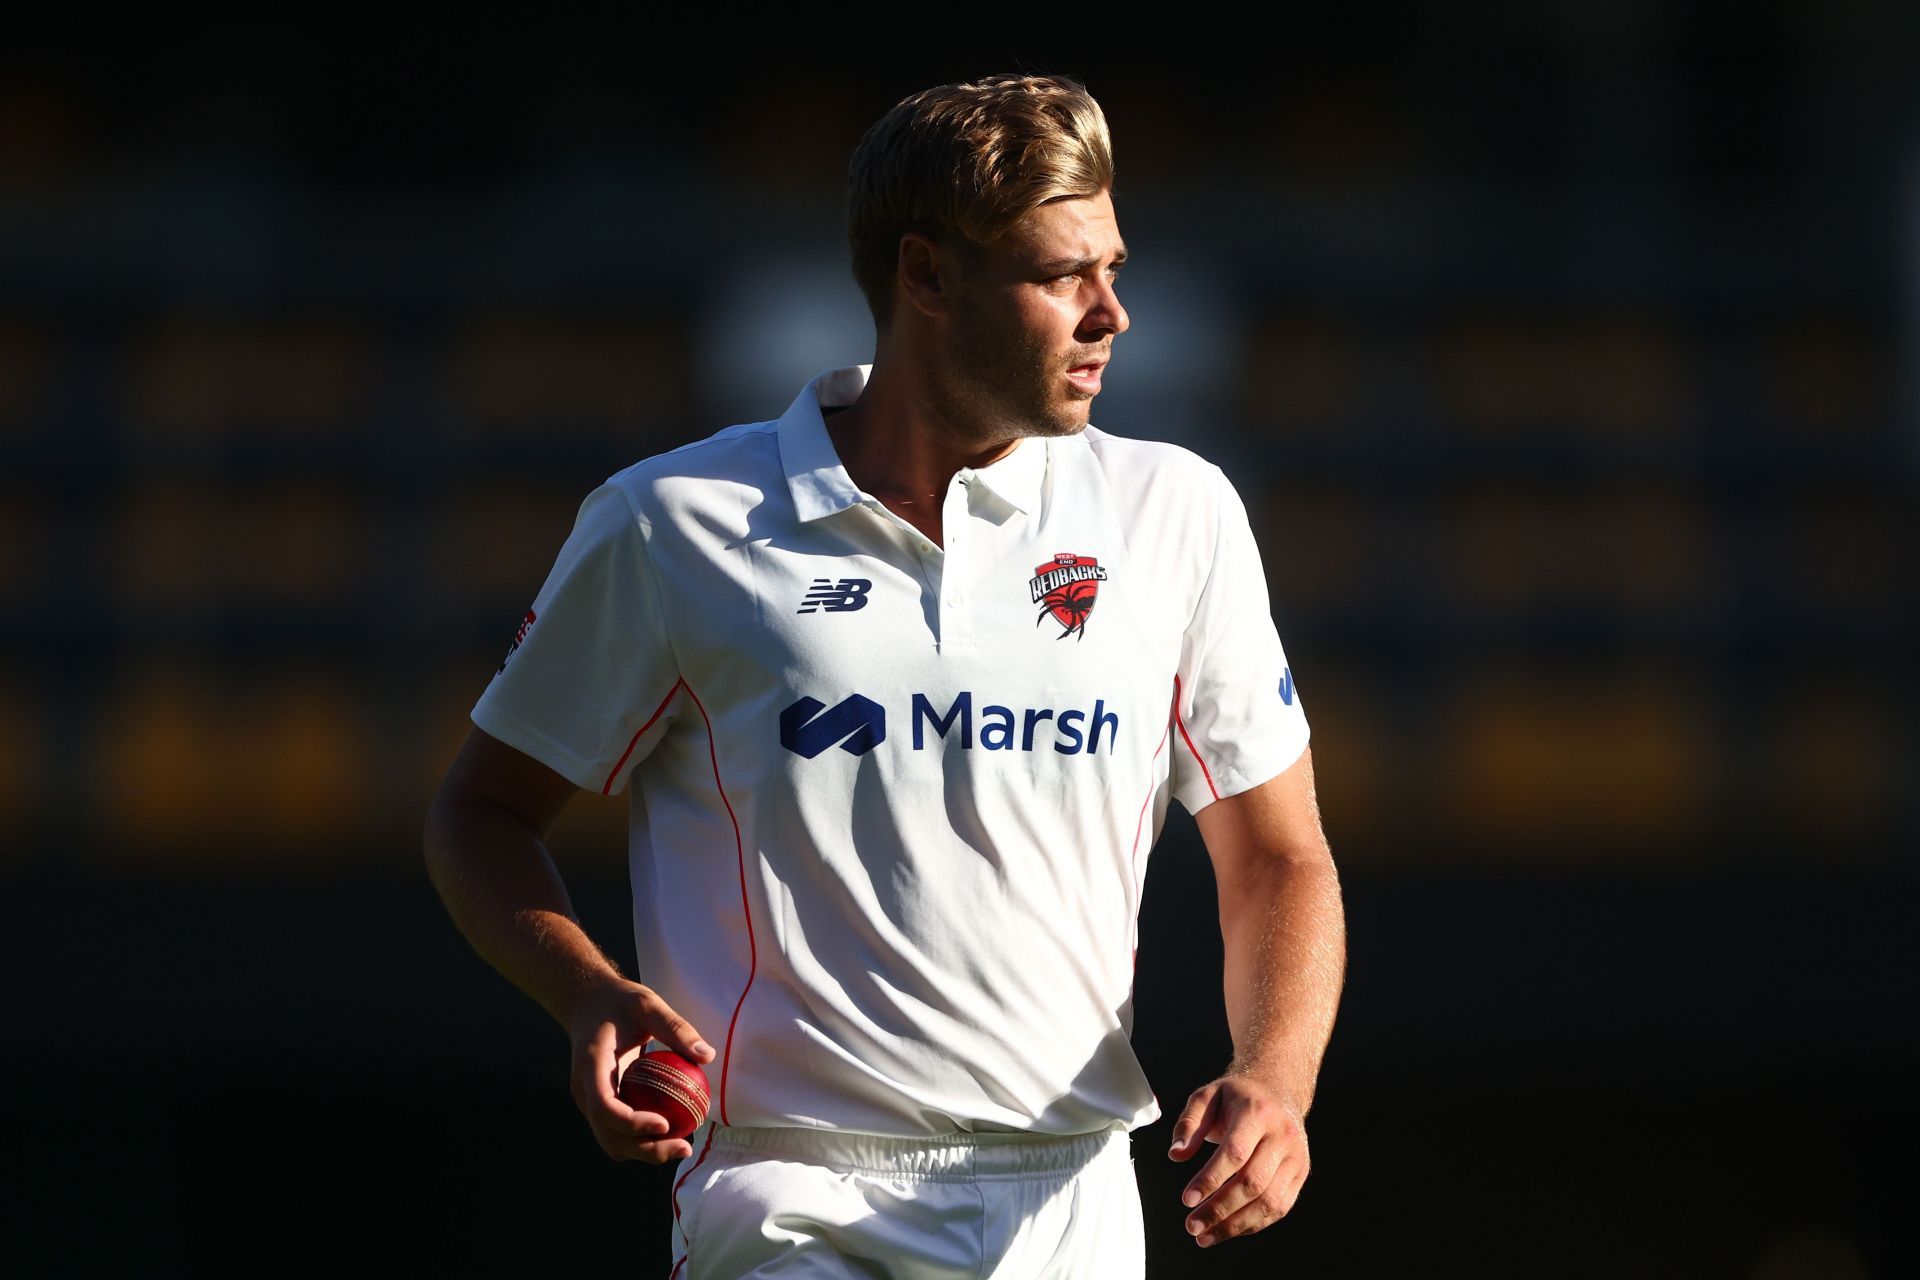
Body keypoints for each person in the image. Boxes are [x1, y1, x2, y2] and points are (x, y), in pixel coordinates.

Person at [423, 72, 1345, 1278]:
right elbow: (480, 811)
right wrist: (588, 991)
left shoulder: (1178, 513)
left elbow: (1278, 853)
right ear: (925, 276)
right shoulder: (675, 522)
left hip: (1070, 1198)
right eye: (1062, 274)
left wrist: (1275, 1077)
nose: (1112, 313)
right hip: (792, 1186)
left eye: (1114, 268)